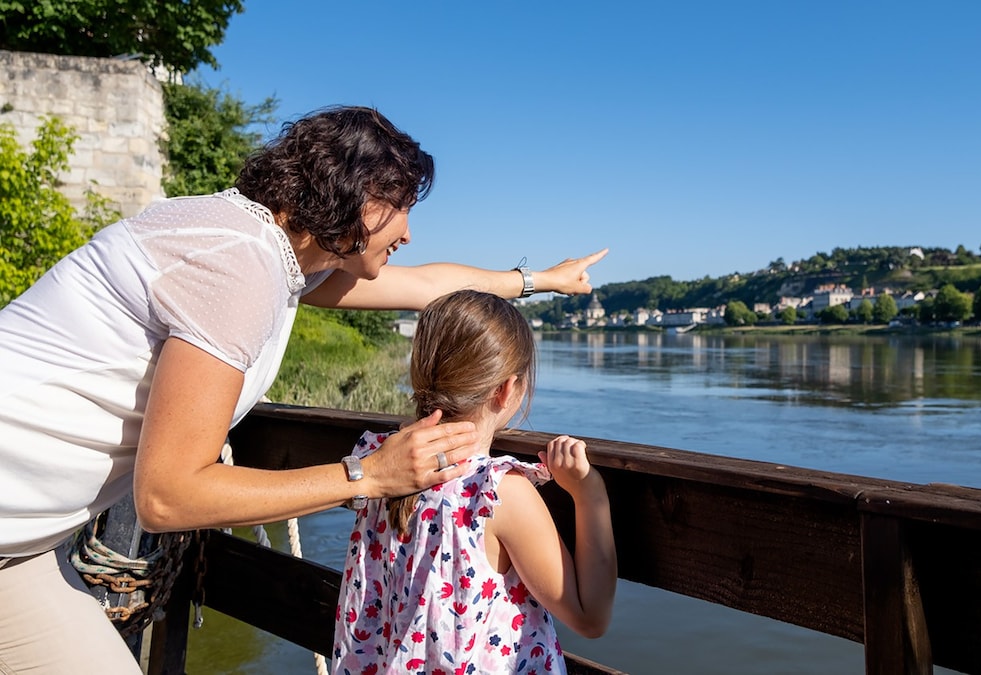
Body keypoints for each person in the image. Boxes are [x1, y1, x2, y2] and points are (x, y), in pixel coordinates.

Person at [0, 105, 608, 674]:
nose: (409, 232)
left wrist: (538, 280)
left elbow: (426, 284)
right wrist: (367, 474)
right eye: (401, 207)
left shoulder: (270, 254)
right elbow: (165, 496)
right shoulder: (237, 265)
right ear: (359, 199)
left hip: (19, 544)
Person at [333, 289, 617, 674]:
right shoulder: (497, 492)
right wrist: (589, 493)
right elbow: (590, 618)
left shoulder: (378, 461)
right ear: (505, 390)